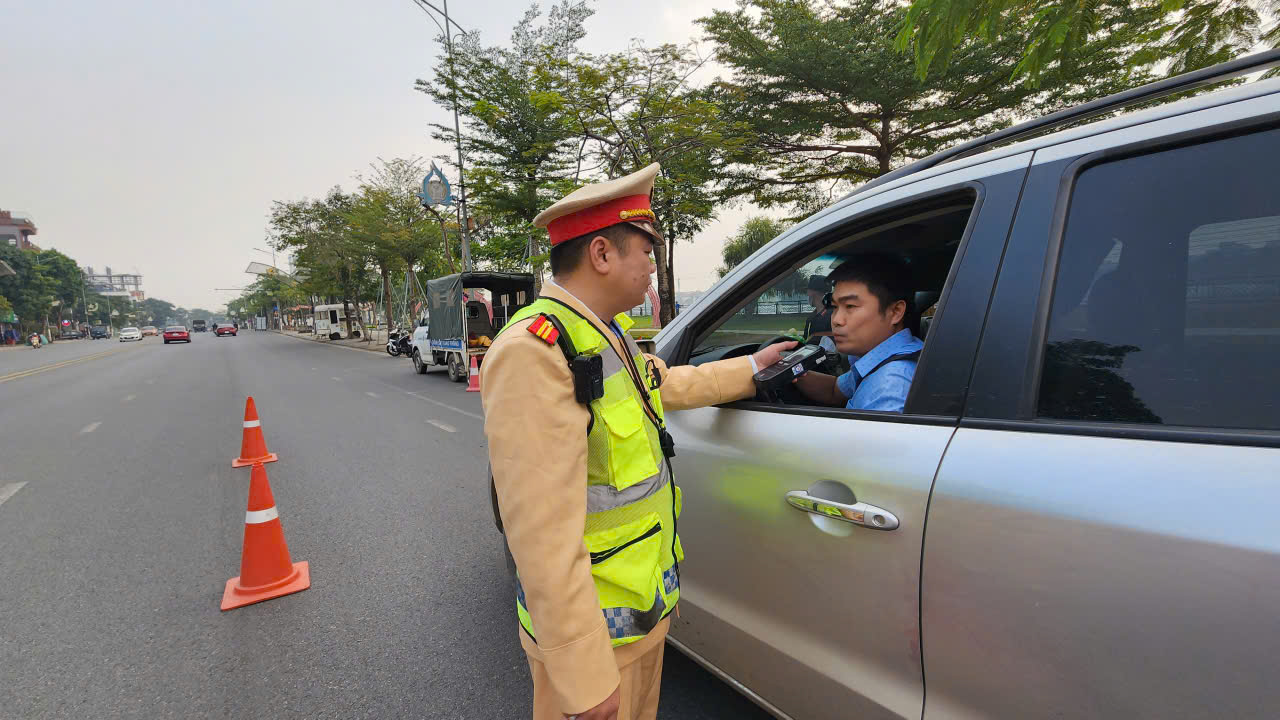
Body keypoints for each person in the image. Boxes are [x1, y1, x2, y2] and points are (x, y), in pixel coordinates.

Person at [481, 163, 794, 720]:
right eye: (646, 253)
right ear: (602, 254)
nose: (654, 268)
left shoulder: (605, 332)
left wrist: (752, 367)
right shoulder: (535, 350)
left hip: (637, 619)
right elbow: (540, 531)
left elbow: (663, 383)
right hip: (595, 644)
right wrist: (581, 674)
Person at [792, 253, 924, 413]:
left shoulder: (888, 391)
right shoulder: (884, 356)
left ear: (895, 312)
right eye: (834, 307)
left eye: (850, 306)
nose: (836, 320)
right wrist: (790, 369)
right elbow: (834, 391)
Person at [802, 273, 832, 341]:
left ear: (812, 292)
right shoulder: (813, 316)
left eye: (808, 290)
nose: (807, 294)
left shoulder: (831, 317)